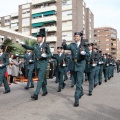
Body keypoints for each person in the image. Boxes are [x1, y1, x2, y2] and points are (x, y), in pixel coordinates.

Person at [17, 32, 52, 100]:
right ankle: (45, 91)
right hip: (37, 63)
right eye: (37, 38)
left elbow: (50, 54)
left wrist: (46, 56)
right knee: (41, 78)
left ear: (42, 38)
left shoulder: (46, 45)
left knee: (40, 79)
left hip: (43, 63)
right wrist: (23, 44)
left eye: (39, 38)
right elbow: (29, 47)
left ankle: (36, 94)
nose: (38, 39)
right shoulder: (35, 45)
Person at [62, 32, 88, 107]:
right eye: (75, 36)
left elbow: (88, 54)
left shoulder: (84, 45)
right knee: (77, 81)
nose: (75, 37)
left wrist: (84, 53)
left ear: (80, 37)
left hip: (80, 65)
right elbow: (66, 47)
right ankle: (81, 91)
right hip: (73, 65)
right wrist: (64, 43)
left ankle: (76, 99)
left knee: (79, 82)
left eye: (77, 36)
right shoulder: (72, 45)